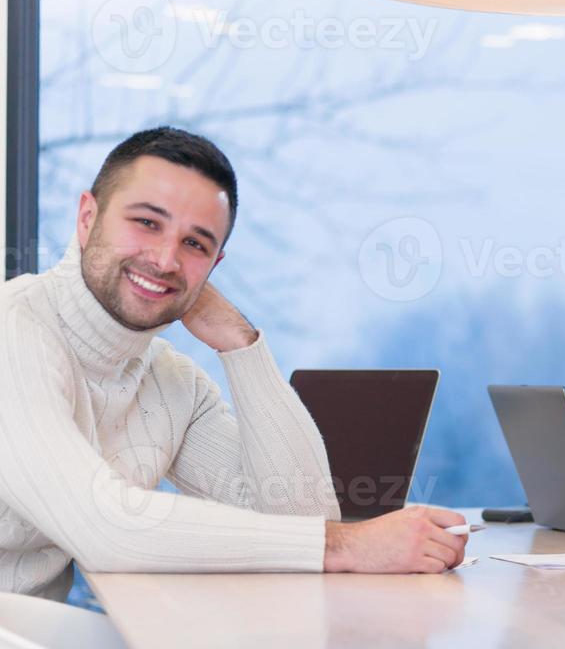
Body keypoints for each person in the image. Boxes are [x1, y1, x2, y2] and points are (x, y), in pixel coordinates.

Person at [0, 127, 468, 602]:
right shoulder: (14, 330)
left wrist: (242, 346)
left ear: (214, 266)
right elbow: (105, 530)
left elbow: (302, 516)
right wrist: (349, 545)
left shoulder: (170, 380)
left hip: (31, 646)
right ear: (87, 217)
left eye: (195, 245)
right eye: (146, 222)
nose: (165, 259)